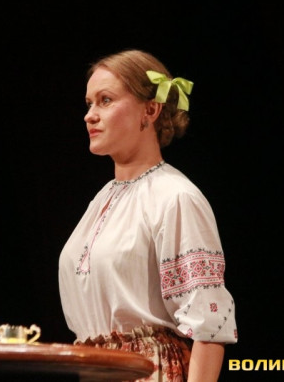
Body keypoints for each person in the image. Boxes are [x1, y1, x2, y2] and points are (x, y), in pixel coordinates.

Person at [58, 49, 237, 381]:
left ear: (150, 110)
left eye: (105, 100)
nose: (90, 116)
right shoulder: (102, 200)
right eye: (89, 103)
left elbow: (209, 328)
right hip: (96, 371)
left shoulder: (174, 197)